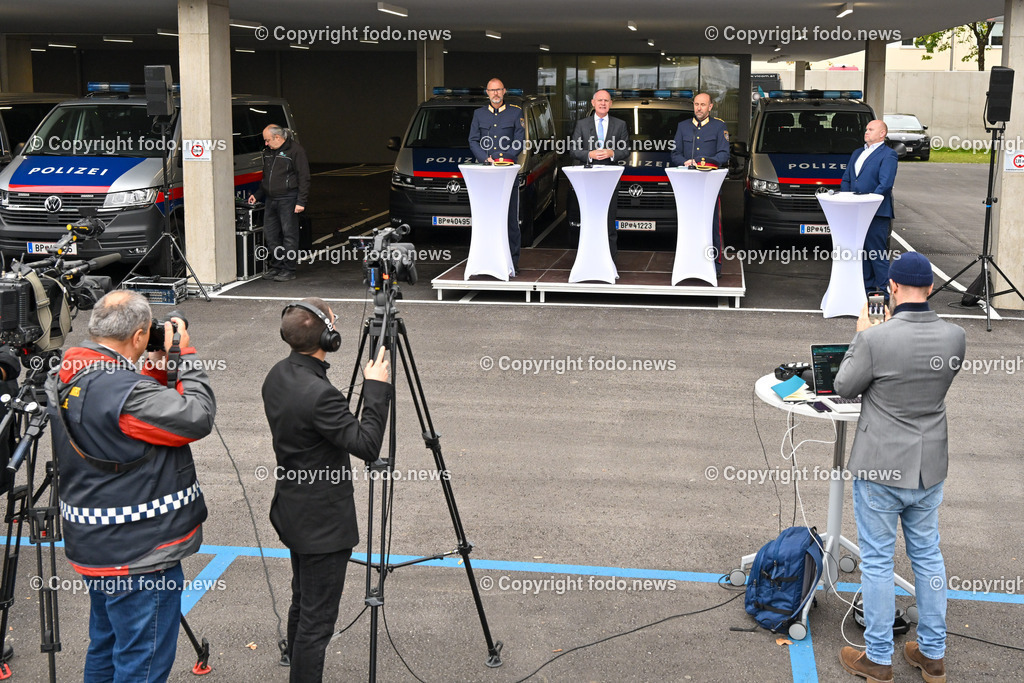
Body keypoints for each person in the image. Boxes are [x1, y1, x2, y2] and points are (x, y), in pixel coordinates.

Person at [47, 291, 215, 682]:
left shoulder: (68, 371)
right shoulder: (124, 392)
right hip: (139, 555)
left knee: (105, 648)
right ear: (140, 335)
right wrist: (184, 358)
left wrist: (154, 370)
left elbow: (124, 422)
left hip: (94, 545)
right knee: (141, 663)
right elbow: (195, 417)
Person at [834, 252, 965, 683]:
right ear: (930, 288)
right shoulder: (955, 337)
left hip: (881, 467)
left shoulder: (876, 339)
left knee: (875, 559)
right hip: (929, 466)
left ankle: (878, 657)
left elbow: (844, 385)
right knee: (928, 556)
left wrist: (861, 334)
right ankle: (932, 654)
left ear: (891, 289)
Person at [262, 298, 391, 683]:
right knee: (317, 622)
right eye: (334, 321)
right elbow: (367, 445)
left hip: (293, 511)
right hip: (322, 525)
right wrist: (376, 389)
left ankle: (294, 660)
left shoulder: (278, 374)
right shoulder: (321, 396)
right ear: (327, 337)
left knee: (303, 599)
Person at [468, 78, 526, 273]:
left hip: (507, 173)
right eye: (492, 90)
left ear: (504, 91)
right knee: (487, 218)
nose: (495, 93)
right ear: (487, 92)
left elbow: (519, 141)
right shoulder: (479, 114)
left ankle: (512, 262)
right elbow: (473, 140)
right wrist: (485, 158)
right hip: (486, 175)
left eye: (499, 90)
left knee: (510, 219)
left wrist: (503, 158)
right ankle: (487, 259)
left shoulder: (515, 112)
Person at [671, 92, 731, 274]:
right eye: (696, 104)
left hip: (709, 186)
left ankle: (715, 266)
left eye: (703, 105)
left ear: (710, 107)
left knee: (712, 227)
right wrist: (685, 162)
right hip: (688, 187)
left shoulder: (719, 126)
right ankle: (690, 263)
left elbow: (724, 154)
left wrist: (703, 161)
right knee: (689, 226)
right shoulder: (682, 127)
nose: (698, 108)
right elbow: (675, 153)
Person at [569, 89, 630, 259]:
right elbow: (573, 150)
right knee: (589, 220)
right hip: (588, 179)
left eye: (606, 100)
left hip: (610, 180)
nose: (603, 103)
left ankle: (610, 259)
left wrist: (612, 153)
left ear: (611, 104)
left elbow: (625, 150)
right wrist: (590, 154)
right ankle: (588, 257)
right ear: (593, 103)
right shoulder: (582, 124)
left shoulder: (620, 125)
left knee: (609, 221)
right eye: (600, 100)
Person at [840, 119, 898, 296]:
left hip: (876, 212)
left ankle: (889, 295)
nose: (866, 132)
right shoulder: (857, 152)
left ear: (882, 133)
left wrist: (869, 204)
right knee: (862, 253)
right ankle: (867, 292)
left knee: (876, 253)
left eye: (871, 129)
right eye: (866, 129)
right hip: (855, 211)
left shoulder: (888, 155)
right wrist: (846, 199)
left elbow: (885, 184)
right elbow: (847, 179)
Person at [249, 124, 311, 282]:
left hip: (288, 198)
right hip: (271, 199)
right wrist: (257, 195)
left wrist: (301, 201)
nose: (266, 143)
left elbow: (304, 177)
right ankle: (276, 266)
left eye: (267, 140)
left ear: (278, 137)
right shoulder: (269, 152)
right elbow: (266, 177)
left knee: (289, 235)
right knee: (271, 235)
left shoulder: (296, 151)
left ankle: (289, 269)